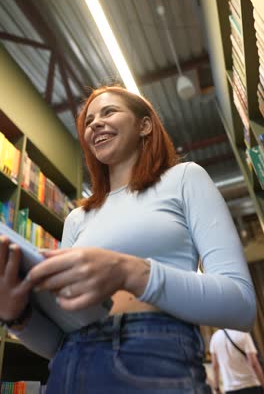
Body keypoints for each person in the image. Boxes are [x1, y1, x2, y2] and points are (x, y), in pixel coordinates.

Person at [0, 85, 256, 393]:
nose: (94, 123)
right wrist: (16, 316)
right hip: (67, 368)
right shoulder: (77, 219)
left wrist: (129, 271)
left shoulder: (184, 178)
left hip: (153, 354)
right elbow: (58, 342)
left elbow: (241, 305)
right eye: (89, 121)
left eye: (108, 112)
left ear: (144, 125)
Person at [210, 329, 264, 393]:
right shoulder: (243, 334)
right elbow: (254, 363)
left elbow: (215, 366)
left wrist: (217, 388)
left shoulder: (215, 337)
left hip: (230, 388)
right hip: (251, 384)